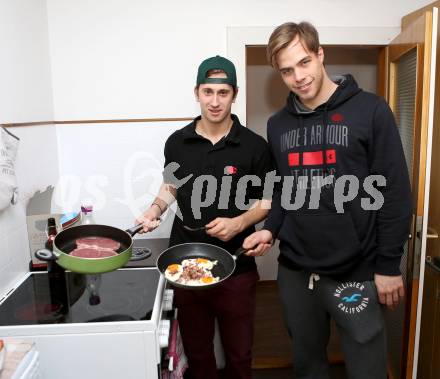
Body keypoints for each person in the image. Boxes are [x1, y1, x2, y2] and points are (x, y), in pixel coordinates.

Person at [243, 22, 412, 379]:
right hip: (295, 272)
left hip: (358, 272)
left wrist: (387, 266)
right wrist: (270, 230)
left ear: (320, 55)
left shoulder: (371, 110)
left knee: (367, 368)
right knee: (308, 367)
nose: (298, 76)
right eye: (287, 70)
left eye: (304, 62)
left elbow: (395, 194)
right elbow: (285, 189)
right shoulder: (278, 125)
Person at [136, 55, 272, 379]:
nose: (214, 101)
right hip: (186, 266)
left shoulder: (255, 146)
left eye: (222, 93)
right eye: (208, 92)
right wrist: (154, 210)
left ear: (234, 94)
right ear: (197, 92)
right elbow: (170, 186)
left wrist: (239, 222)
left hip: (237, 266)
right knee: (198, 355)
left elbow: (268, 201)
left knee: (240, 356)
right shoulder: (177, 142)